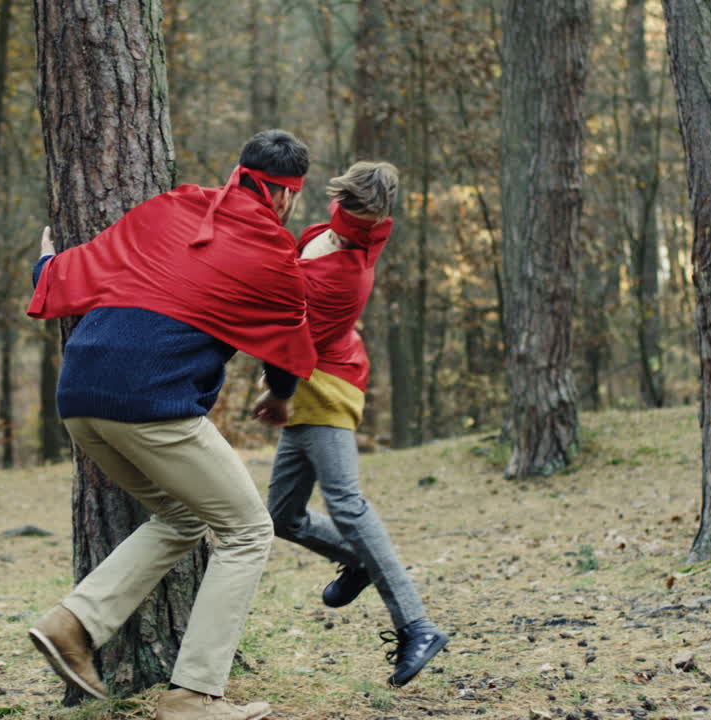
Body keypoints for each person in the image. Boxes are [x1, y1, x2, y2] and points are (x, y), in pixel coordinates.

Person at [25, 130, 314, 720]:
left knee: (183, 516)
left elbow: (77, 270)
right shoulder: (271, 253)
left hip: (79, 395)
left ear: (239, 172)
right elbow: (288, 344)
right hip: (151, 405)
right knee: (248, 531)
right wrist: (280, 400)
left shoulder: (173, 206)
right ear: (286, 197)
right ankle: (195, 695)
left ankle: (72, 624)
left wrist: (45, 263)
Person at [258, 161, 449, 688]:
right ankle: (358, 560)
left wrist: (277, 396)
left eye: (351, 212)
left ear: (370, 220)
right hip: (309, 384)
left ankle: (417, 625)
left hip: (324, 387)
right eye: (338, 204)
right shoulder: (329, 236)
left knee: (346, 502)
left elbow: (291, 344)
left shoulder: (342, 275)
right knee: (281, 516)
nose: (337, 215)